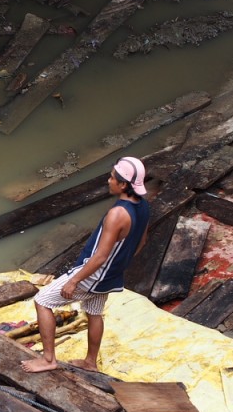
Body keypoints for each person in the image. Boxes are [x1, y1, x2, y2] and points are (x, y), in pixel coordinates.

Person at [22, 156, 150, 374]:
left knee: (42, 301)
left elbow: (100, 256)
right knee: (94, 311)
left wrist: (74, 281)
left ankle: (48, 359)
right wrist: (118, 265)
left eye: (112, 178)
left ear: (123, 184)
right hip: (111, 276)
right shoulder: (144, 206)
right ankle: (91, 362)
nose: (108, 181)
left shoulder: (117, 214)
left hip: (94, 274)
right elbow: (142, 241)